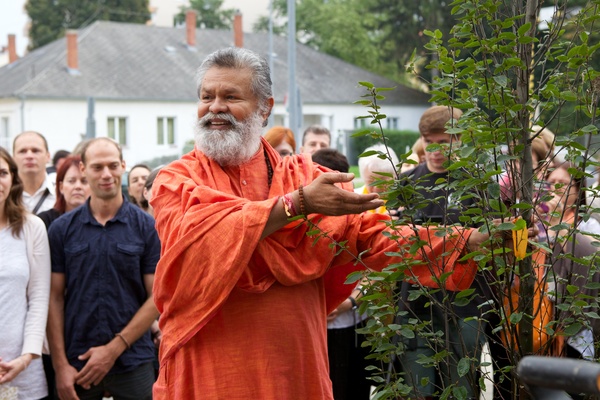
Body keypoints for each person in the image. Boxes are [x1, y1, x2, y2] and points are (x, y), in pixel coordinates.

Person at [150, 47, 494, 399]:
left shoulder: (308, 176)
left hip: (293, 365)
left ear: (265, 108)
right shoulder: (176, 181)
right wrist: (297, 204)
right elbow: (201, 238)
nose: (215, 107)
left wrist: (465, 241)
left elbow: (374, 236)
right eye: (207, 97)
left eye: (230, 96)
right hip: (210, 368)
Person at [47, 138, 160, 400]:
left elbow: (157, 297)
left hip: (133, 360)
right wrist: (60, 365)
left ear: (123, 166)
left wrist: (113, 348)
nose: (106, 174)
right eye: (97, 167)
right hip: (77, 361)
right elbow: (53, 299)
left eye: (112, 165)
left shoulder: (146, 228)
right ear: (84, 170)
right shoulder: (62, 230)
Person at [395, 106, 490, 399]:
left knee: (460, 386)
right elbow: (393, 243)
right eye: (429, 142)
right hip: (416, 302)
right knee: (418, 388)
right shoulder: (406, 183)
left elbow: (492, 248)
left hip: (466, 300)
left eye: (444, 142)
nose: (435, 150)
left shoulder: (477, 184)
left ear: (459, 140)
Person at [0, 147, 51, 399]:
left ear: (12, 179)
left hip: (24, 367)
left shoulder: (32, 227)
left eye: (2, 173)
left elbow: (39, 298)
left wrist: (27, 356)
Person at [38, 155, 90, 229]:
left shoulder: (102, 220)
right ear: (61, 187)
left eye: (84, 181)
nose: (78, 186)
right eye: (71, 181)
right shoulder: (44, 221)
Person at [12, 131, 56, 213]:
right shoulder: (5, 194)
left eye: (35, 151)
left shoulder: (61, 193)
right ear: (13, 158)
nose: (29, 156)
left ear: (48, 156)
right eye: (22, 151)